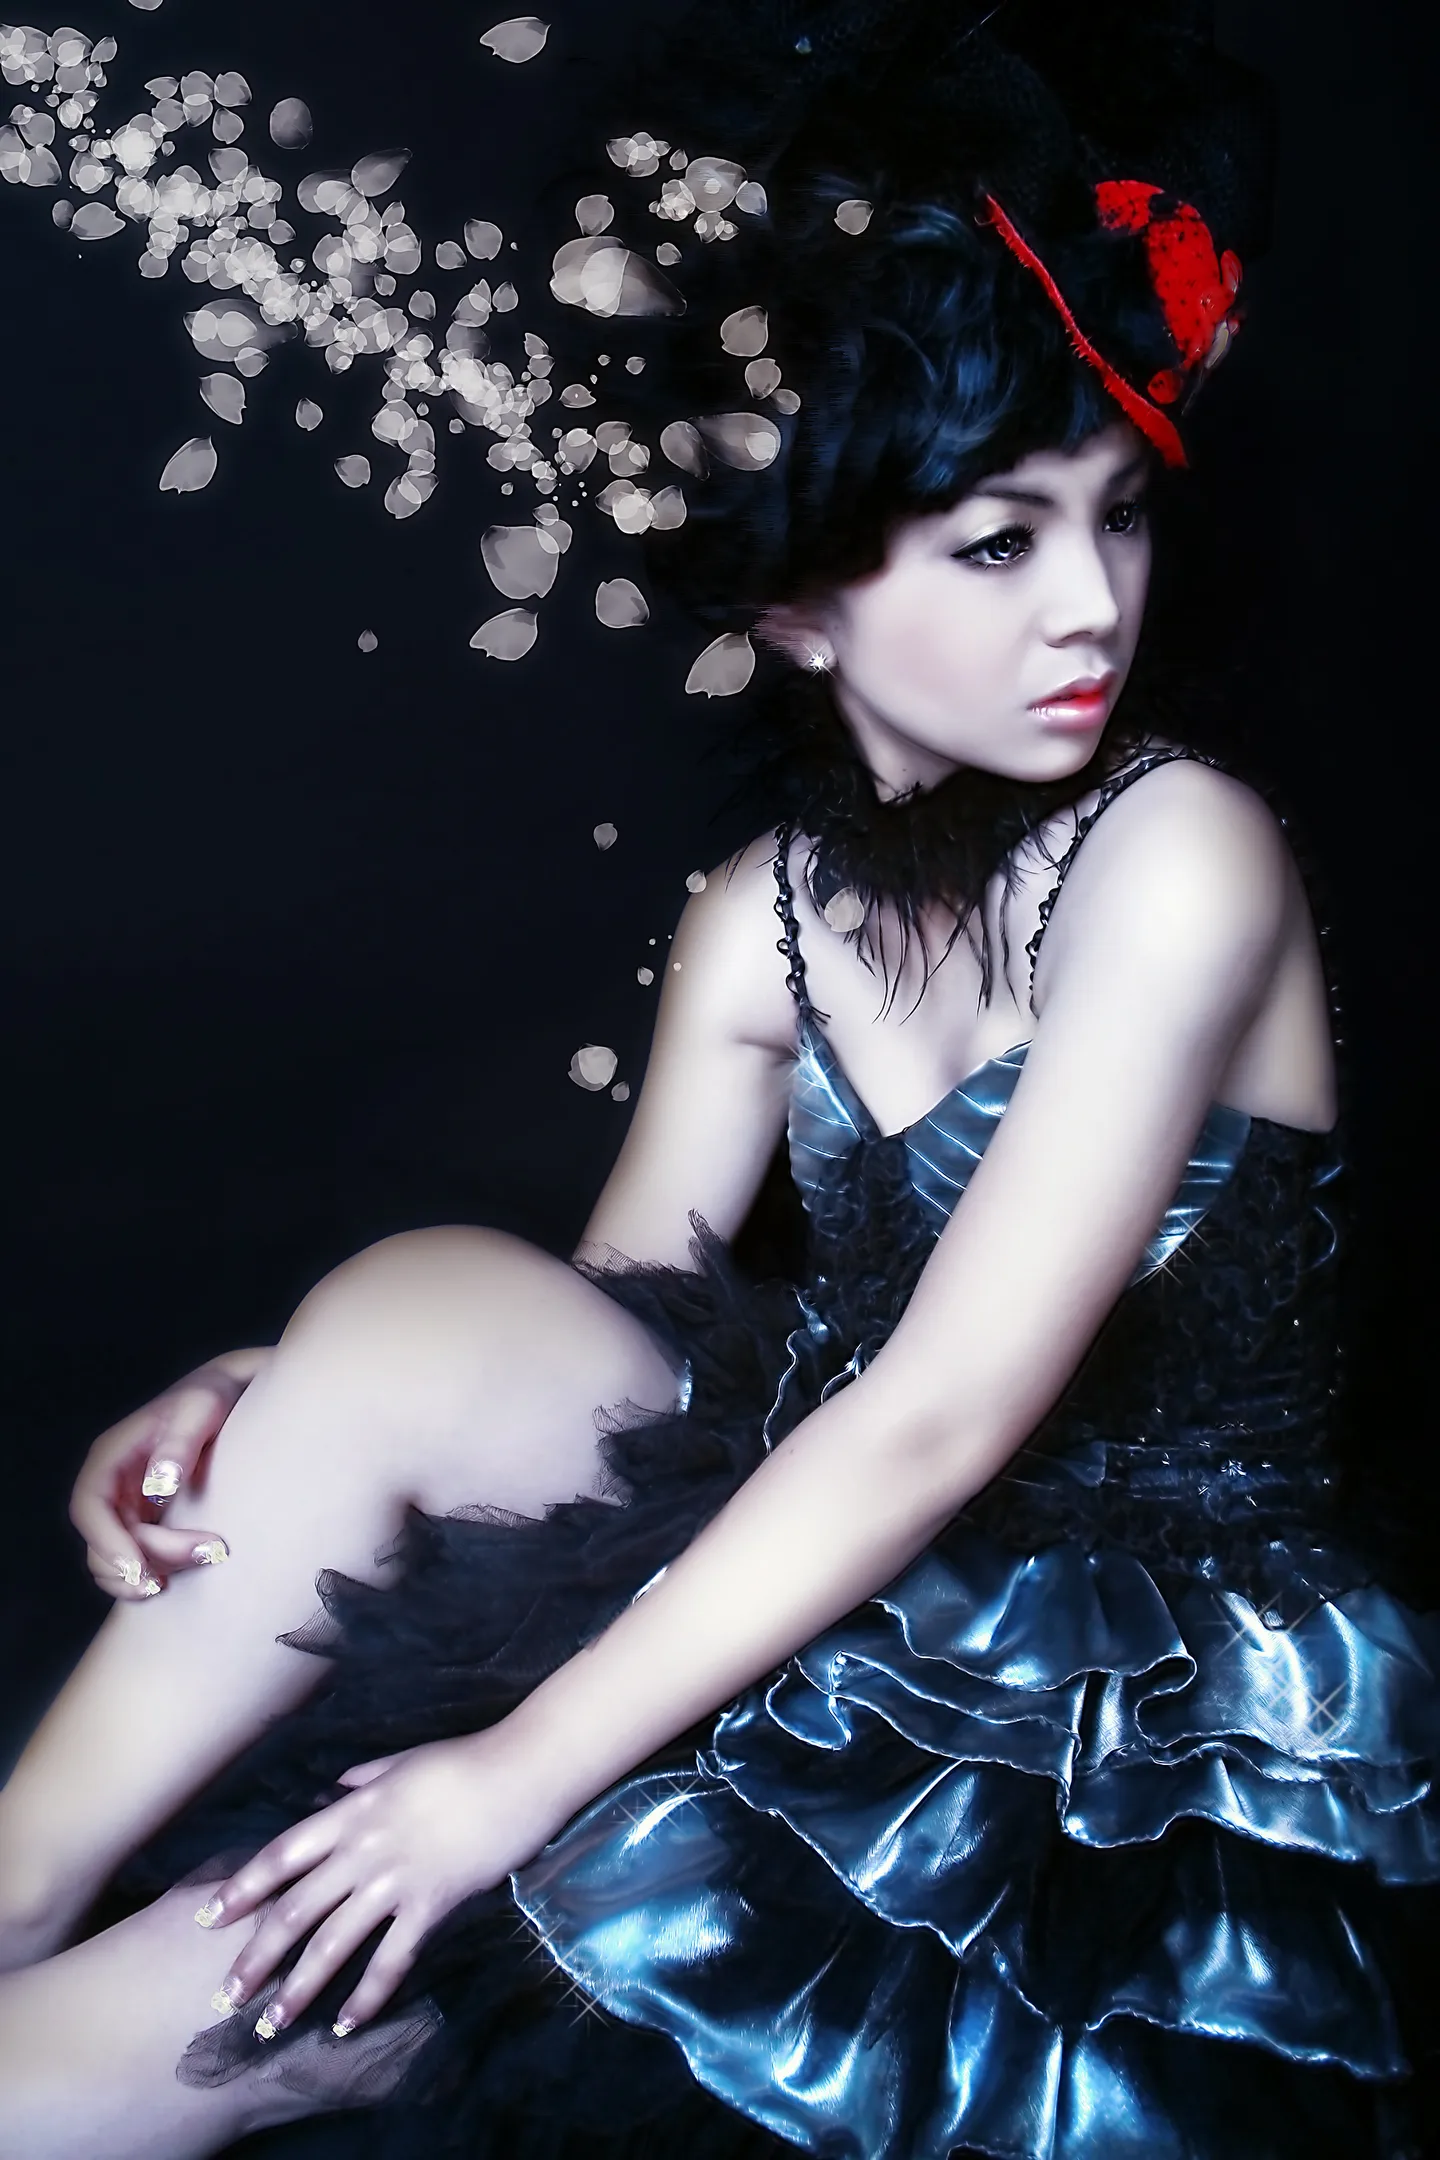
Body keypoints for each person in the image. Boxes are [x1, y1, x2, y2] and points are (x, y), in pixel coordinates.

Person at [0, 4, 1435, 2155]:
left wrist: (509, 1778)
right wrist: (274, 1400)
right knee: (407, 1306)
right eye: (999, 541)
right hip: (823, 1549)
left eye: (1119, 519)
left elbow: (944, 1414)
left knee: (208, 2004)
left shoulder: (1178, 856)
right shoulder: (765, 913)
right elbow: (603, 1340)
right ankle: (16, 1880)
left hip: (1110, 1693)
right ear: (794, 609)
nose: (1092, 605)